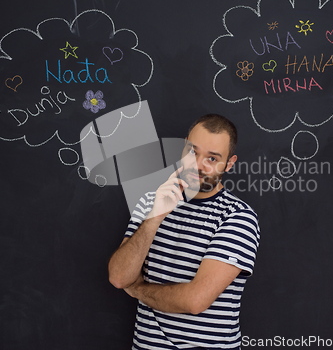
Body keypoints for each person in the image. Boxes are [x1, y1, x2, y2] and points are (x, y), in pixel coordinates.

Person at [108, 114, 260, 349]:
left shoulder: (237, 217)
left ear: (229, 164)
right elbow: (119, 277)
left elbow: (195, 301)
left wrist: (137, 288)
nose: (198, 165)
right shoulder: (151, 201)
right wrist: (155, 218)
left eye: (212, 158)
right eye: (192, 151)